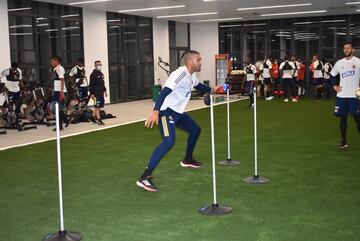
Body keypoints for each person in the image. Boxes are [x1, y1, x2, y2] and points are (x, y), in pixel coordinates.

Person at [136, 50, 212, 192]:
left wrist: (212, 89)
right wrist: (155, 112)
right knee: (169, 141)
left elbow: (198, 86)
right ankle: (144, 177)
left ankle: (188, 159)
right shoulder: (180, 74)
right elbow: (164, 92)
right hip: (165, 112)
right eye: (198, 60)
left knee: (195, 130)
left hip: (177, 112)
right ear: (190, 62)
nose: (201, 62)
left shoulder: (192, 75)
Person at [330, 42, 360, 149]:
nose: (346, 50)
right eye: (344, 48)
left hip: (354, 95)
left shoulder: (358, 62)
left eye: (348, 48)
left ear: (353, 50)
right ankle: (344, 141)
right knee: (343, 118)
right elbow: (332, 75)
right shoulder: (339, 63)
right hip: (342, 95)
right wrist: (334, 86)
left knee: (357, 118)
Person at [50, 56, 68, 131]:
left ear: (56, 61)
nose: (51, 63)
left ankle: (60, 125)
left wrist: (61, 92)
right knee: (56, 108)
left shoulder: (60, 68)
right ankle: (64, 120)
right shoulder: (54, 69)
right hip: (56, 91)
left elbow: (62, 80)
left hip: (60, 92)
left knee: (59, 109)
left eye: (52, 61)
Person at [89, 60, 107, 125]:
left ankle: (92, 116)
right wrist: (91, 94)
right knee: (97, 107)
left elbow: (103, 83)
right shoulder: (93, 74)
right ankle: (99, 120)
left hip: (101, 93)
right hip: (95, 94)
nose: (99, 66)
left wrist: (105, 91)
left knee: (99, 107)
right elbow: (91, 85)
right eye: (98, 65)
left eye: (100, 65)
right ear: (95, 66)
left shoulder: (101, 74)